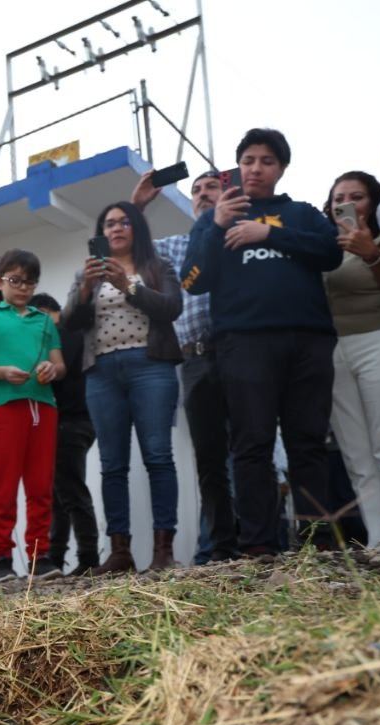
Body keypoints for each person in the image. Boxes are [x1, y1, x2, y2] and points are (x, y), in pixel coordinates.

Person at [182, 128, 343, 554]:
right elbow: (192, 280)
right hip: (243, 344)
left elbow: (331, 253)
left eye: (267, 161)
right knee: (251, 445)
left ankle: (316, 542)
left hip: (308, 341)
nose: (256, 168)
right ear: (238, 167)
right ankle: (257, 547)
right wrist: (218, 225)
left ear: (281, 169)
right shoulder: (211, 220)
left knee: (307, 441)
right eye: (248, 160)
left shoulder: (303, 213)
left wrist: (267, 234)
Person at [64, 202, 182, 575]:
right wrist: (85, 288)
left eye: (124, 222)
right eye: (109, 223)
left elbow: (171, 307)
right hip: (102, 373)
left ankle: (164, 550)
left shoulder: (157, 266)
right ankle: (119, 552)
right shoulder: (89, 274)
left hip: (151, 367)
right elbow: (70, 321)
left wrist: (127, 285)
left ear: (137, 229)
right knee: (112, 465)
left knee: (158, 457)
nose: (116, 228)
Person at [133, 168, 240, 563]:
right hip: (195, 358)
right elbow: (139, 252)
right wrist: (139, 204)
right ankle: (220, 550)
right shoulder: (178, 247)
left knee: (249, 451)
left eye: (211, 186)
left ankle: (261, 540)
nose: (202, 193)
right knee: (210, 460)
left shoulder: (243, 235)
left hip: (241, 352)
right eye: (195, 190)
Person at [323, 170, 380, 548]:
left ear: (373, 202)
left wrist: (370, 253)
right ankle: (378, 539)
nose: (346, 203)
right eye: (338, 197)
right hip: (334, 349)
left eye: (356, 196)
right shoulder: (322, 248)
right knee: (356, 452)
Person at [0, 249, 65, 583]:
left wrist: (53, 368)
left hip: (43, 407)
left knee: (40, 484)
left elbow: (60, 364)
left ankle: (41, 556)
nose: (23, 288)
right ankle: (1, 558)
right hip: (5, 408)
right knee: (4, 484)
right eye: (15, 280)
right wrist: (3, 372)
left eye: (30, 282)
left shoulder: (43, 320)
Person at [31, 293, 99, 575]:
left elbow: (57, 374)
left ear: (46, 312)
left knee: (70, 492)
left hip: (69, 421)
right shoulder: (68, 334)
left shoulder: (63, 334)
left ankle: (88, 558)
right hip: (77, 421)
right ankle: (56, 558)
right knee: (61, 493)